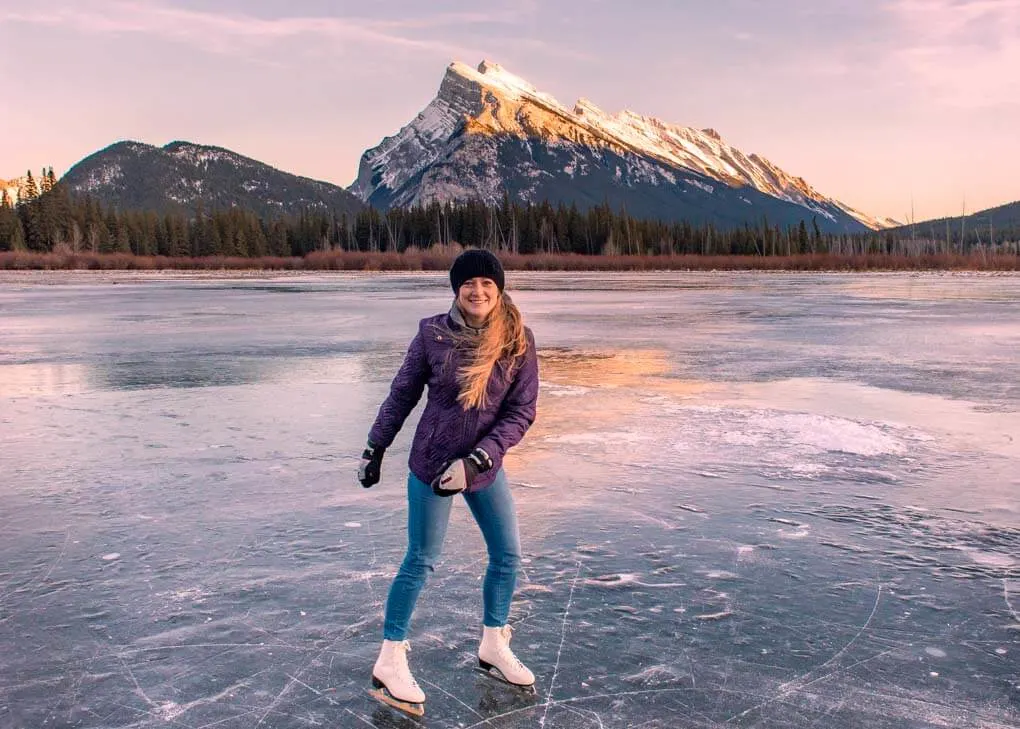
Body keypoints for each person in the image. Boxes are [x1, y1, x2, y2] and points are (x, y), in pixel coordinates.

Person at [358, 249, 540, 717]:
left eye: (487, 284)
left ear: (499, 289)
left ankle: (494, 644)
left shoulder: (517, 339)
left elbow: (521, 411)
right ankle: (389, 660)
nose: (478, 292)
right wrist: (375, 447)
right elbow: (402, 394)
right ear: (457, 290)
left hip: (483, 466)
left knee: (507, 555)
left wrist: (478, 461)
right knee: (422, 558)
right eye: (468, 284)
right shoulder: (432, 334)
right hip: (433, 463)